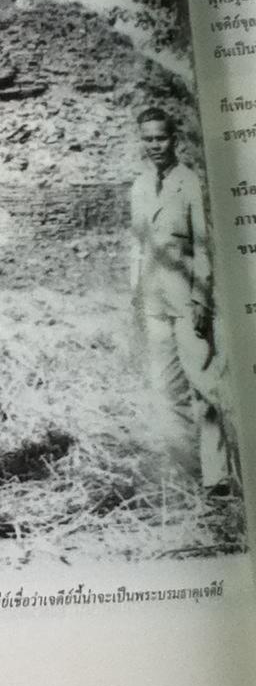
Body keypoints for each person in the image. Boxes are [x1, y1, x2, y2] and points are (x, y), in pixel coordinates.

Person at [130, 106, 229, 491]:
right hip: (154, 304)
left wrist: (202, 298)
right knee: (167, 389)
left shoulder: (189, 183)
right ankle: (186, 473)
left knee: (204, 386)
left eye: (161, 138)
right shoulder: (139, 186)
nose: (155, 145)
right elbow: (138, 247)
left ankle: (218, 476)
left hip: (187, 300)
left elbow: (204, 245)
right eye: (148, 139)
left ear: (174, 139)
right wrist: (135, 298)